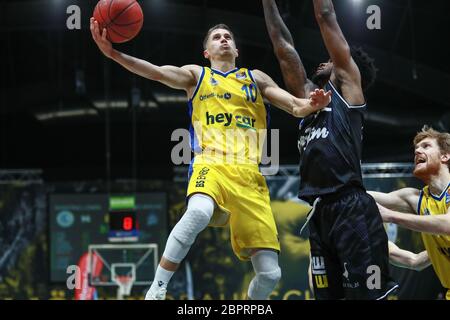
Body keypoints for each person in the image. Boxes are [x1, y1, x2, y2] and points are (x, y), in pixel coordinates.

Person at [90, 19, 332, 300]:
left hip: (250, 177)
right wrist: (114, 54)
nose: (223, 39)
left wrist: (312, 104)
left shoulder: (256, 78)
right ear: (206, 52)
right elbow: (155, 73)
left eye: (228, 36)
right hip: (211, 163)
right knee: (198, 212)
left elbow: (294, 105)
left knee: (270, 275)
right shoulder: (197, 76)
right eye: (216, 37)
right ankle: (157, 288)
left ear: (237, 50)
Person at [263, 0, 397, 299]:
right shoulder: (308, 102)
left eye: (329, 58)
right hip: (320, 213)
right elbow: (283, 47)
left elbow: (325, 15)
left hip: (351, 207)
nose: (321, 62)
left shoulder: (348, 89)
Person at [369, 126, 450, 300]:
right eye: (416, 149)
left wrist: (391, 216)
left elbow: (447, 224)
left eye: (426, 146)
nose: (418, 151)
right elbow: (363, 196)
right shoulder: (416, 198)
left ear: (444, 156)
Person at [308, 242, 430, 296]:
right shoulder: (323, 246)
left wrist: (443, 246)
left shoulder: (377, 243)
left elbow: (415, 261)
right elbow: (317, 289)